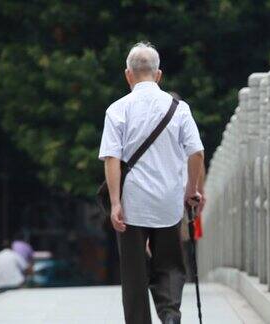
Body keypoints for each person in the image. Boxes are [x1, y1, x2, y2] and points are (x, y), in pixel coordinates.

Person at [98, 42, 205, 324]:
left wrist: (115, 203)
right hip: (168, 201)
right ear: (158, 75)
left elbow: (111, 158)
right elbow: (197, 153)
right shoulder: (179, 109)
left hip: (133, 203)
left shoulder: (117, 110)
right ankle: (170, 315)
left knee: (133, 272)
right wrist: (191, 189)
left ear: (128, 75)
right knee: (169, 264)